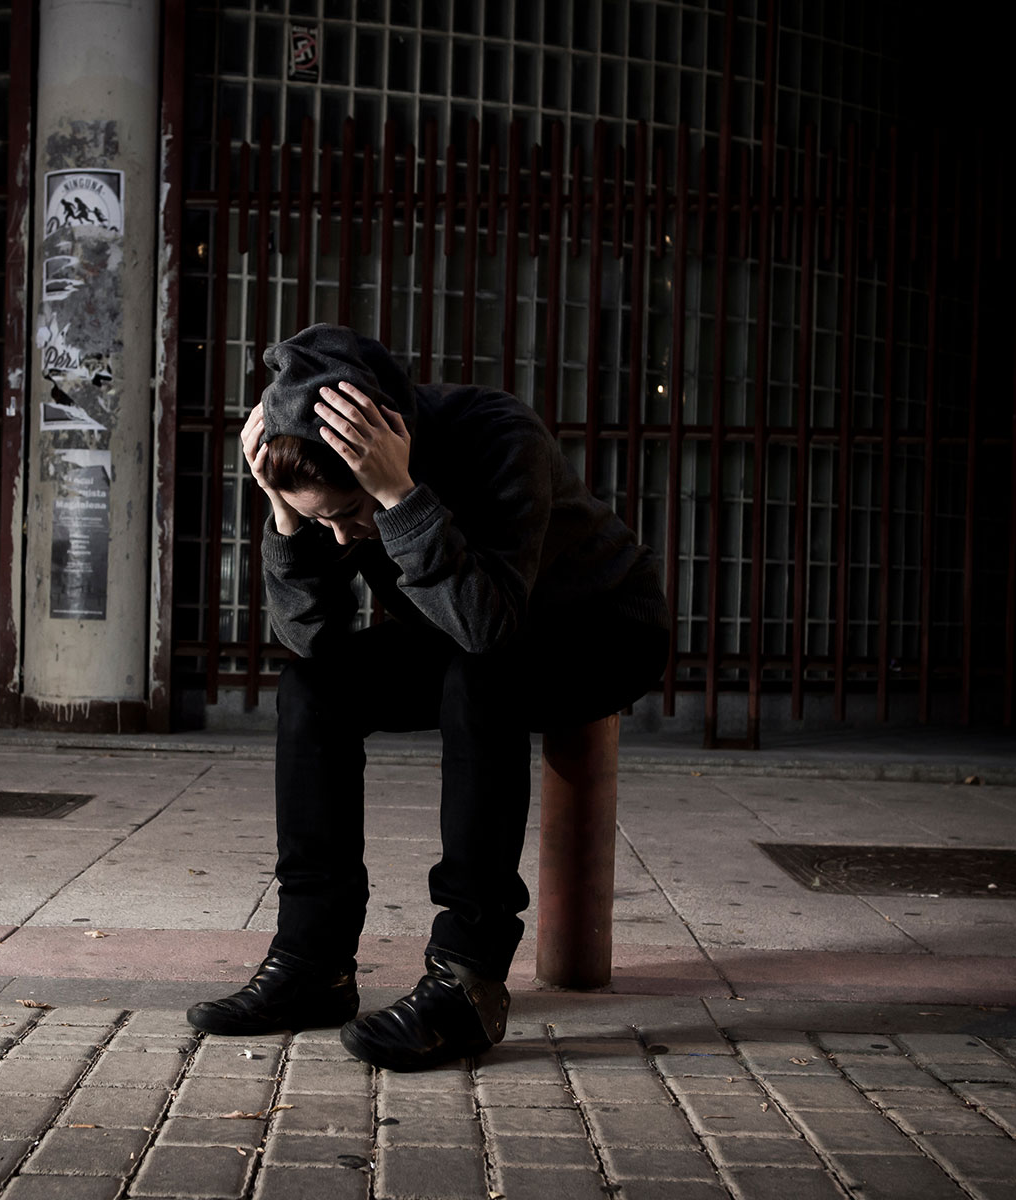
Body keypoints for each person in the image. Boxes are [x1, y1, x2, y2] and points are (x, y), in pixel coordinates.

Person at [186, 323, 670, 1071]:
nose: (345, 540)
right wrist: (288, 517)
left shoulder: (500, 434)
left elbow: (487, 626)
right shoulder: (325, 505)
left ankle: (467, 981)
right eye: (326, 522)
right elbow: (310, 640)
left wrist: (398, 497)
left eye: (349, 516)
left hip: (599, 628)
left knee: (483, 674)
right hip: (468, 630)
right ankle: (313, 963)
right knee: (314, 686)